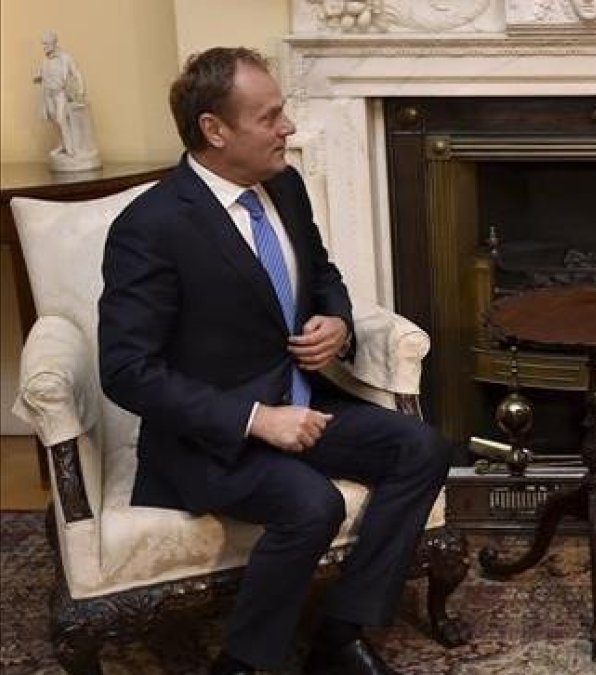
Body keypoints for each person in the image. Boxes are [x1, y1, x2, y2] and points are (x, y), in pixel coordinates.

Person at [99, 47, 449, 675]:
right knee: (312, 504)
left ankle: (338, 635)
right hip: (211, 442)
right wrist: (254, 419)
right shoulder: (150, 226)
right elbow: (126, 369)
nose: (287, 128)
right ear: (215, 129)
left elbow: (322, 273)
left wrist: (337, 322)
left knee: (421, 448)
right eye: (270, 117)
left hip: (305, 409)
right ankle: (241, 662)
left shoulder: (283, 186)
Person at [34, 31, 100, 170]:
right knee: (53, 120)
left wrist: (81, 89)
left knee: (60, 119)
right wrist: (39, 78)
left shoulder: (65, 58)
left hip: (60, 94)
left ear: (53, 43)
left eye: (46, 44)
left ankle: (71, 148)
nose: (44, 47)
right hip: (48, 94)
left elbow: (76, 73)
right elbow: (43, 74)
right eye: (43, 44)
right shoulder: (45, 60)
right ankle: (62, 145)